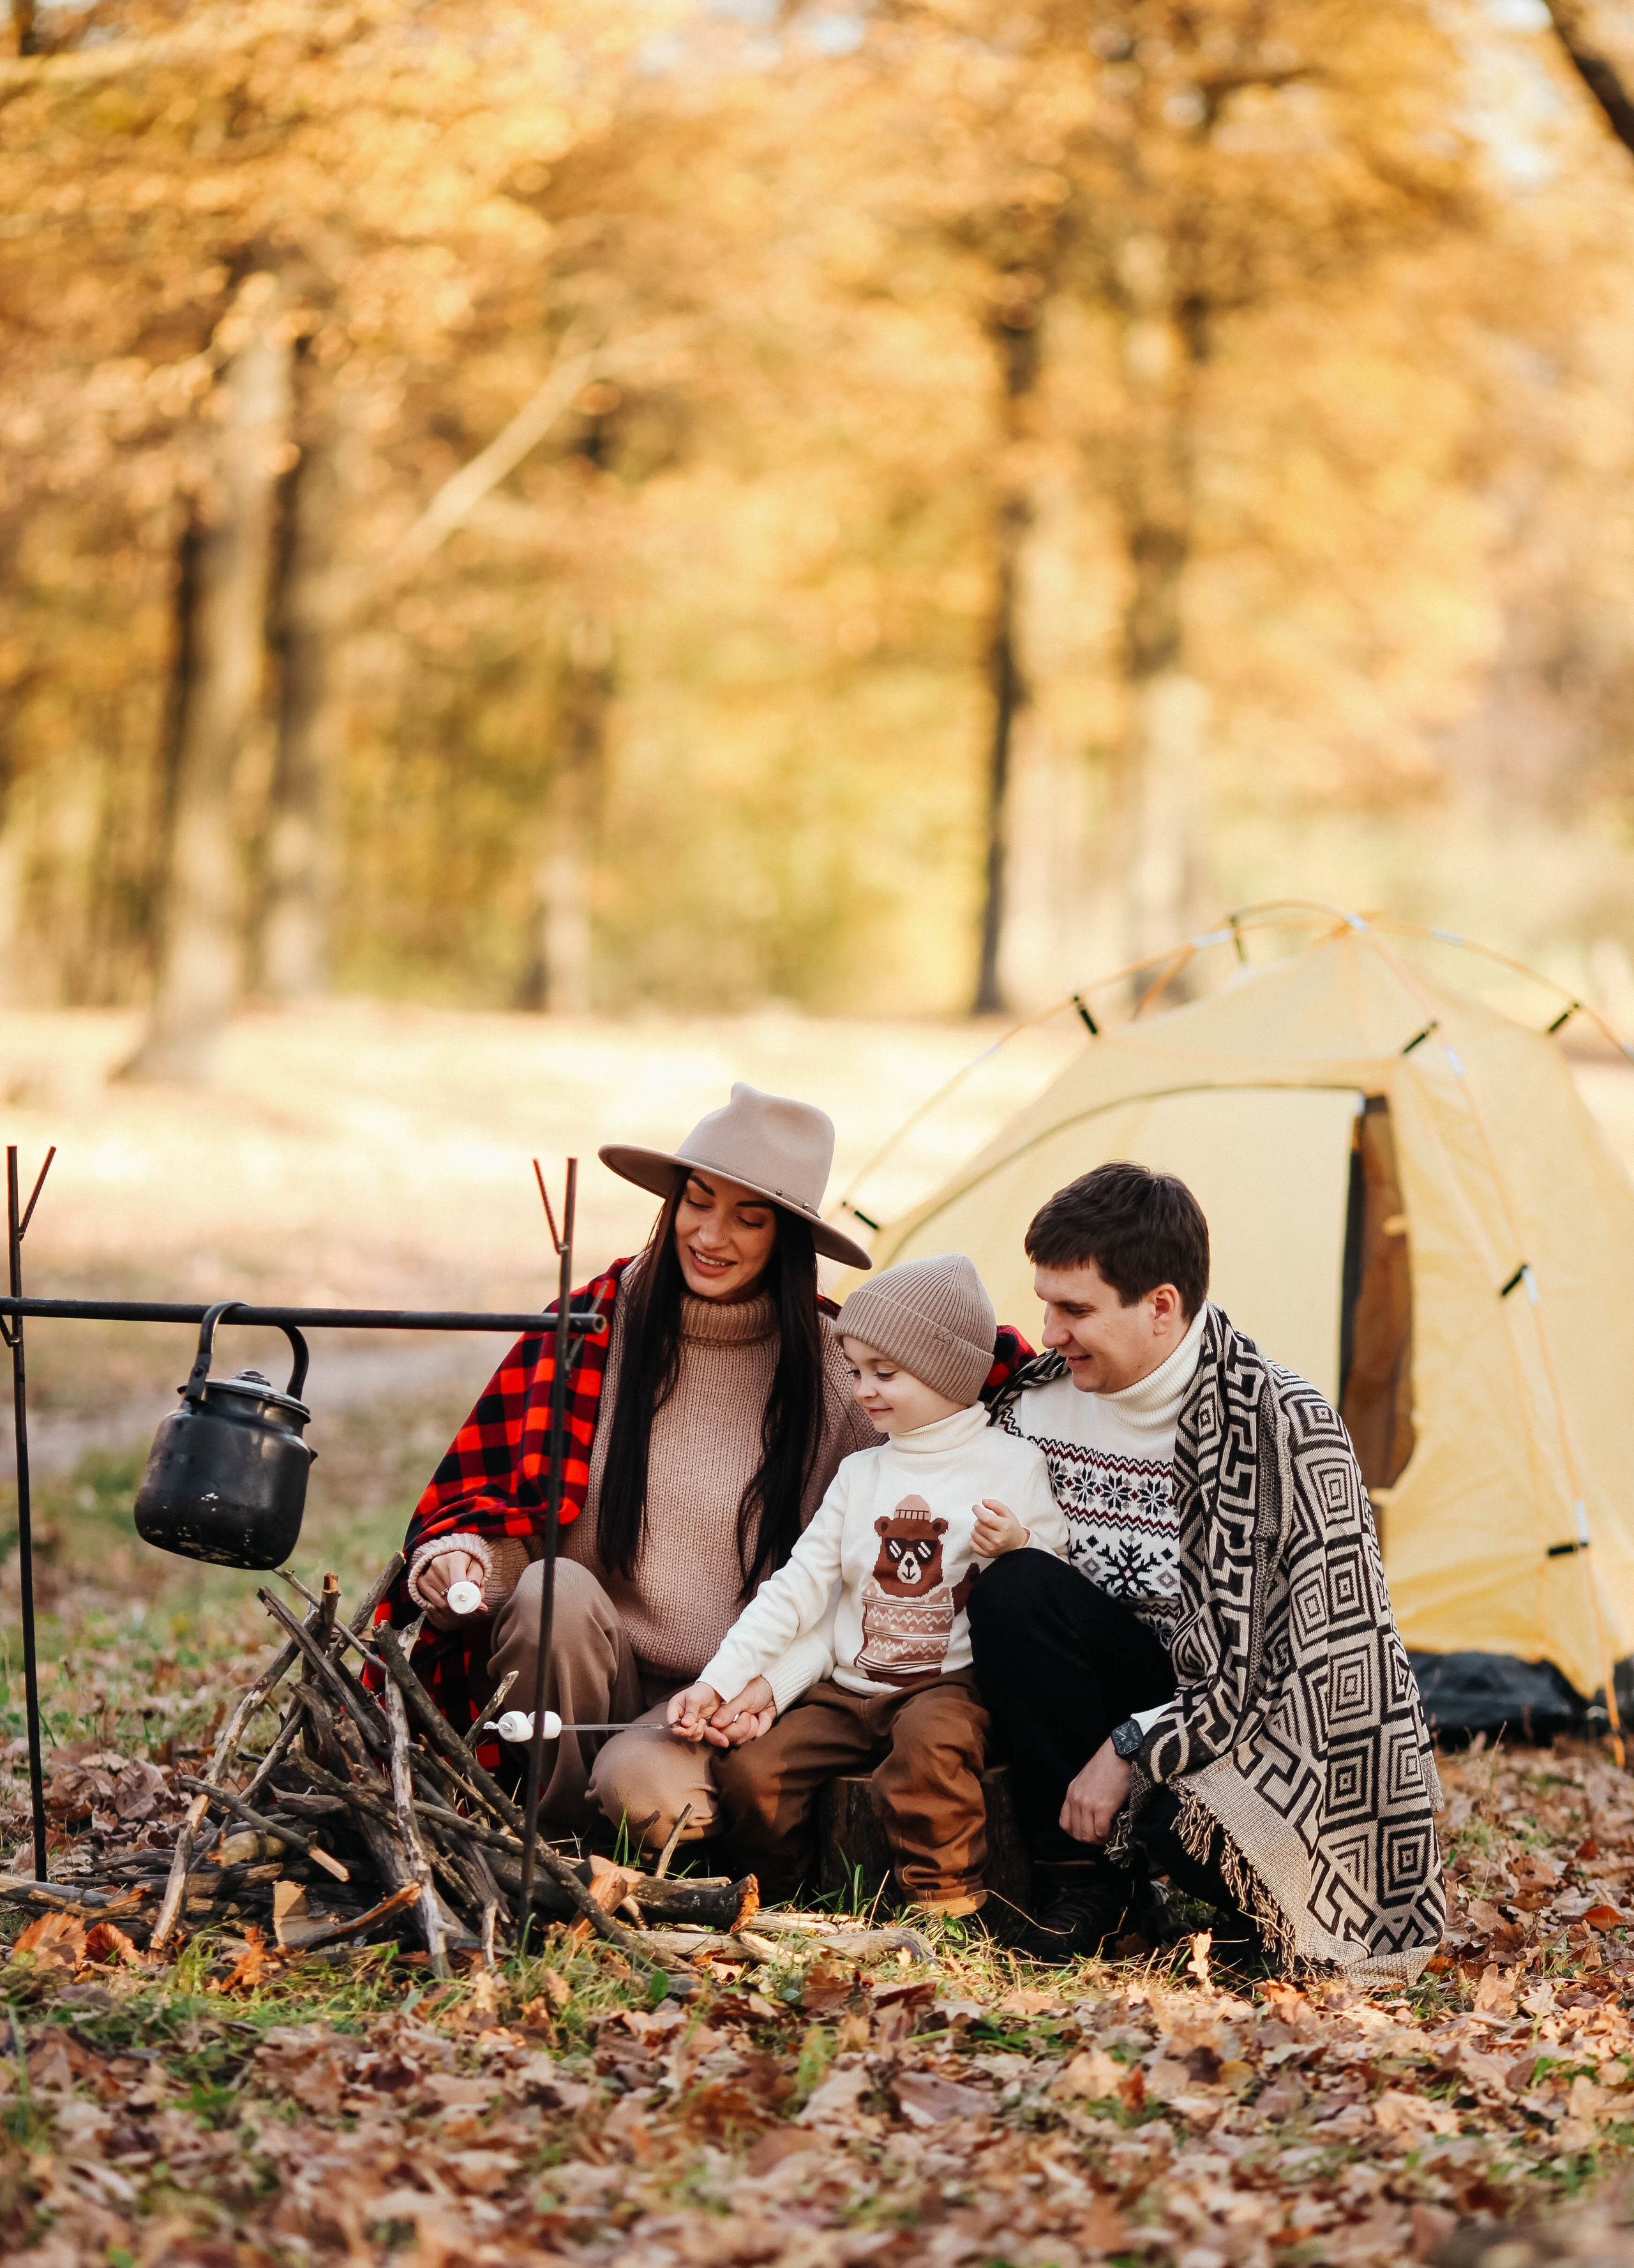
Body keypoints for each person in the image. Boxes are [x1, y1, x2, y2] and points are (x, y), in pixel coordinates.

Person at [971, 1160, 1445, 1983]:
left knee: (1182, 1825)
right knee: (1016, 1584)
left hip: (1248, 1722)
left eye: (1075, 1310)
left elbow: (1310, 1678)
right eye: (1045, 1303)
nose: (1048, 1333)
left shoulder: (1283, 1429)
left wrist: (1130, 1747)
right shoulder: (1029, 1407)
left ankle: (1255, 1902)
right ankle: (1085, 1886)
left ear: (1161, 1306)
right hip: (1096, 1684)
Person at [386, 1083, 883, 1854]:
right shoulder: (591, 1330)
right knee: (551, 1592)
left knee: (643, 1797)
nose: (710, 1234)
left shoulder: (837, 1370)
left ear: (788, 1238)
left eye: (748, 1218)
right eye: (697, 1201)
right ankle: (553, 1832)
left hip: (722, 1698)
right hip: (582, 1673)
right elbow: (513, 1516)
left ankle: (624, 1818)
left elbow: (867, 1564)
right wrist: (465, 1562)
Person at [666, 1255, 1066, 1916]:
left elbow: (1053, 1577)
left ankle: (943, 1905)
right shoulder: (860, 1474)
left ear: (946, 1369)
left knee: (929, 1756)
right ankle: (786, 1900)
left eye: (885, 1372)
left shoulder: (1011, 1464)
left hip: (947, 1687)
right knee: (754, 1771)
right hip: (848, 1690)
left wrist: (1019, 1544)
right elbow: (798, 1586)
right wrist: (720, 1681)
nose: (862, 1390)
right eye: (855, 1371)